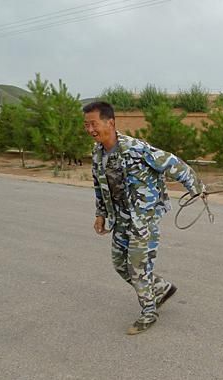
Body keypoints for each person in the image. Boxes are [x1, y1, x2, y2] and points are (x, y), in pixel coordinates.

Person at [82, 101, 205, 335]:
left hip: (143, 219)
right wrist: (100, 214)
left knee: (137, 267)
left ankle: (149, 312)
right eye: (86, 125)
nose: (90, 130)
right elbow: (100, 185)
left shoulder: (135, 148)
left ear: (111, 122)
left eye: (93, 124)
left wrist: (196, 187)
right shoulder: (98, 153)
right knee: (120, 264)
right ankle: (161, 288)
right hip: (120, 219)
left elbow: (172, 163)